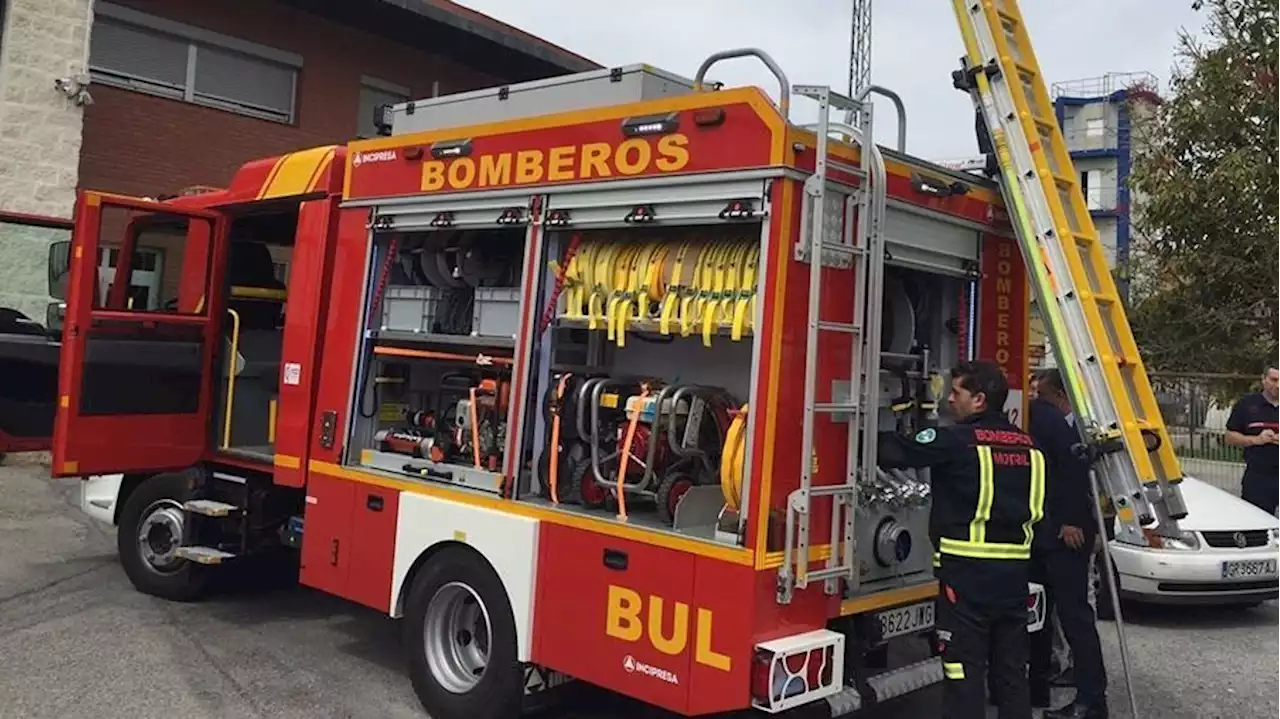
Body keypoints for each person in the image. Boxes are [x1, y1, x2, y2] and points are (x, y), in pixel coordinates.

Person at [878, 359, 1046, 719]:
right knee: (1011, 673)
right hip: (1014, 578)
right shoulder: (1030, 446)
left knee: (963, 673)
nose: (950, 400)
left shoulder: (957, 441)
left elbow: (894, 451)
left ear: (979, 400)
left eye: (957, 393)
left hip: (966, 580)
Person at [1028, 368, 1109, 719]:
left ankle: (1091, 699)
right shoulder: (1063, 421)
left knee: (1073, 616)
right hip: (1052, 529)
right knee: (1046, 612)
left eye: (1041, 393)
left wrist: (1069, 521)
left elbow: (1071, 471)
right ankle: (1043, 685)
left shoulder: (1058, 423)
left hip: (1063, 533)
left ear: (1060, 395)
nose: (1036, 399)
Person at [1224, 365, 1280, 516]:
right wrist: (1257, 439)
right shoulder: (1246, 405)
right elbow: (1229, 438)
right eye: (1274, 380)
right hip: (1258, 477)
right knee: (1256, 525)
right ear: (1263, 380)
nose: (1278, 385)